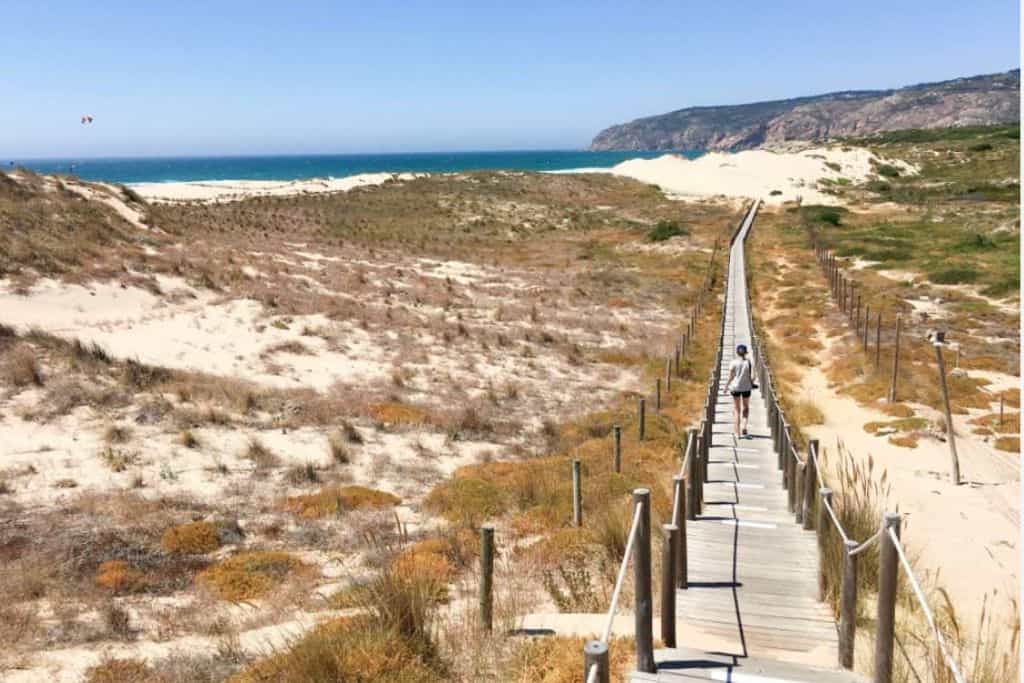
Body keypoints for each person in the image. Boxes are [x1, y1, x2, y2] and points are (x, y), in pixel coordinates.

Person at [726, 344, 755, 438]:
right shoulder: (749, 362)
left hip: (735, 388)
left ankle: (737, 432)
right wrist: (751, 383)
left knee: (736, 410)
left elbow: (730, 377)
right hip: (746, 388)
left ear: (737, 352)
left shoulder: (733, 363)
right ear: (745, 352)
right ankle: (744, 426)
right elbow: (753, 376)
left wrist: (726, 387)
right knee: (746, 408)